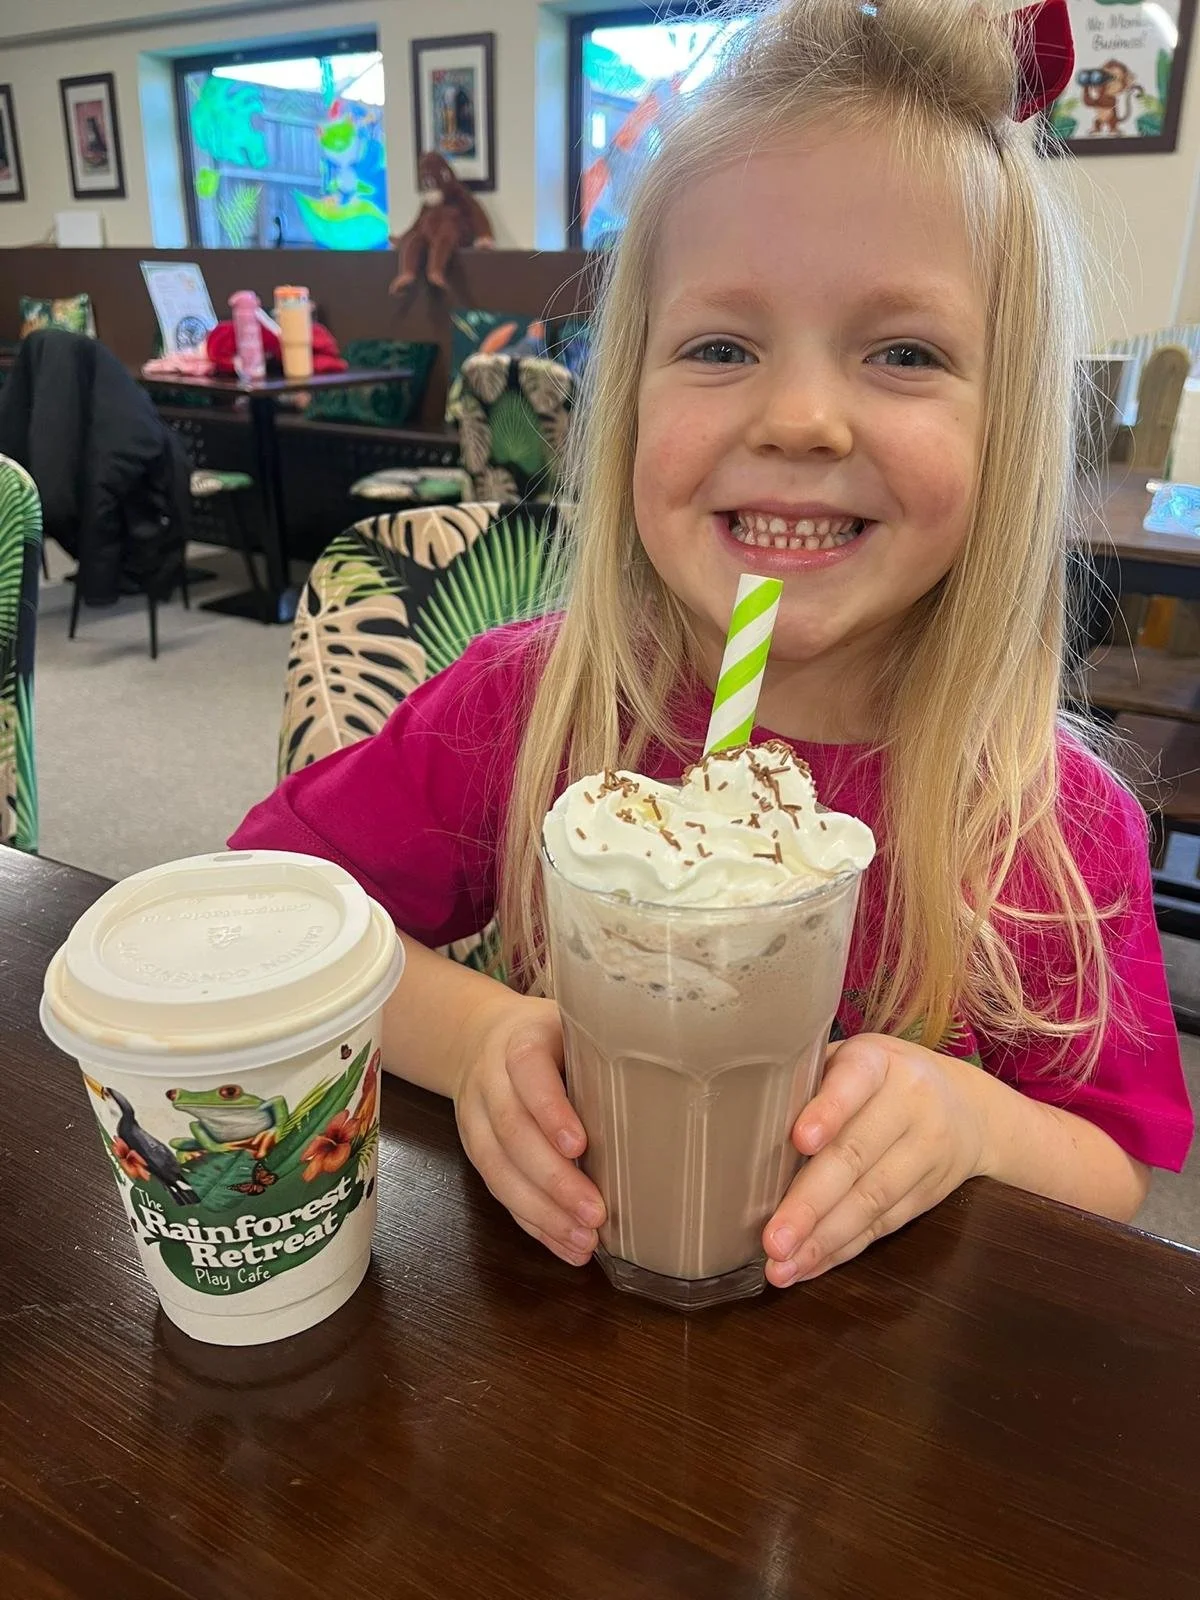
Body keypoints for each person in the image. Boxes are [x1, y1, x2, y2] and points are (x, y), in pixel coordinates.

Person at [232, 0, 1193, 1287]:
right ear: (629, 399)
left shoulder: (1053, 825)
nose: (800, 417)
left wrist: (975, 1124)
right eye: (722, 345)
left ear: (1008, 430)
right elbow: (277, 900)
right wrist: (470, 1040)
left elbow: (1118, 1166)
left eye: (904, 351)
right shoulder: (524, 711)